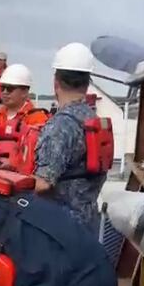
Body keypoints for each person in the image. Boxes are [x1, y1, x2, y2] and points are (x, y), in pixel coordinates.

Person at [33, 42, 107, 232]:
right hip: (88, 222)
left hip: (59, 229)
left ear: (55, 82)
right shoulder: (92, 118)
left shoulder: (61, 125)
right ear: (87, 83)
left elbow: (42, 184)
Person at [0, 64, 48, 169]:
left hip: (22, 180)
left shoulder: (37, 119)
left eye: (10, 89)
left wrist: (13, 163)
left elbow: (44, 155)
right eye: (2, 88)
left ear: (24, 92)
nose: (5, 92)